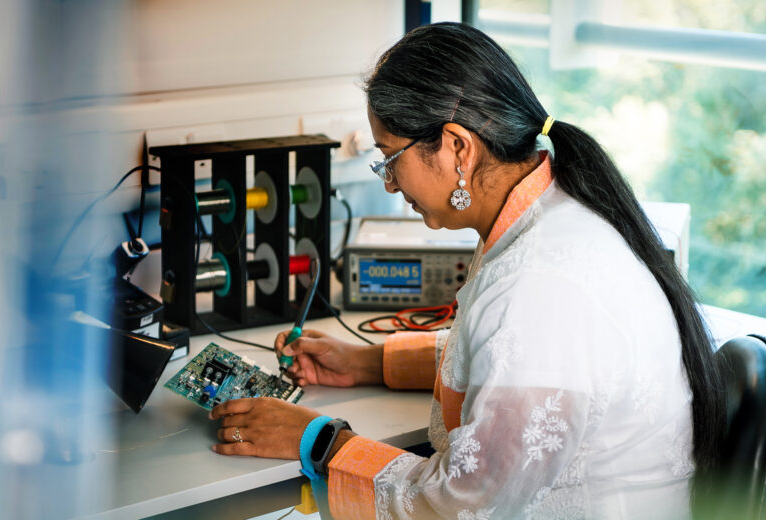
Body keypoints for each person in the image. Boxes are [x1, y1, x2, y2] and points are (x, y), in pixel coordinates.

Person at [208, 22, 724, 519]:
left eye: (390, 158)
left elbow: (461, 509)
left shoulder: (539, 287)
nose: (389, 183)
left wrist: (317, 440)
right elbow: (498, 362)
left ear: (458, 146)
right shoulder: (549, 210)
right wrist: (365, 364)